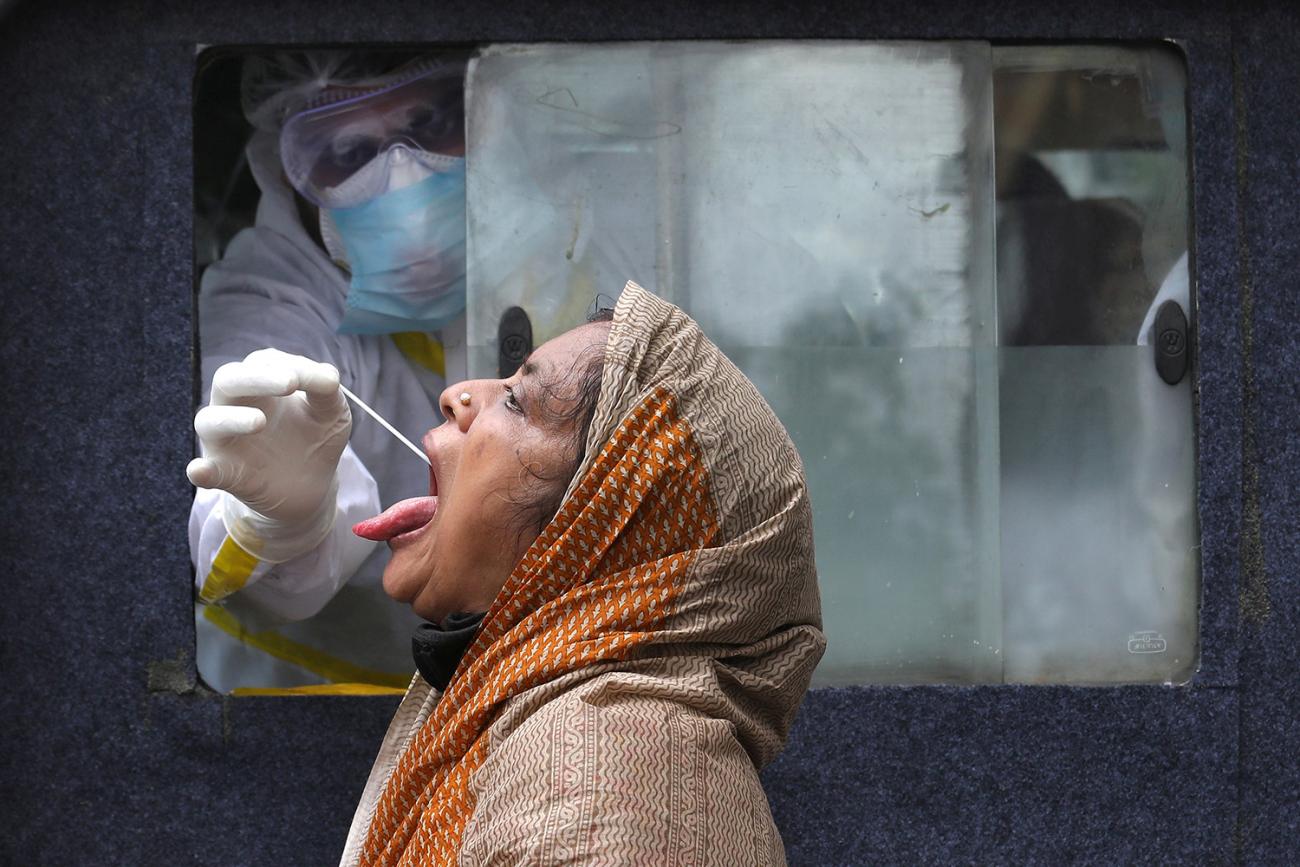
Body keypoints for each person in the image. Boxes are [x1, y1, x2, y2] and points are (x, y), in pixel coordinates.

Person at [328, 282, 825, 865]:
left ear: (597, 526)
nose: (457, 395)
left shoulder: (593, 784)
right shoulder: (586, 743)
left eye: (516, 401)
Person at [187, 52, 470, 693]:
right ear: (287, 173)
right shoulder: (271, 301)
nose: (401, 175)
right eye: (345, 149)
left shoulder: (577, 241)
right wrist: (276, 516)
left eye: (429, 118)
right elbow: (213, 498)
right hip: (312, 717)